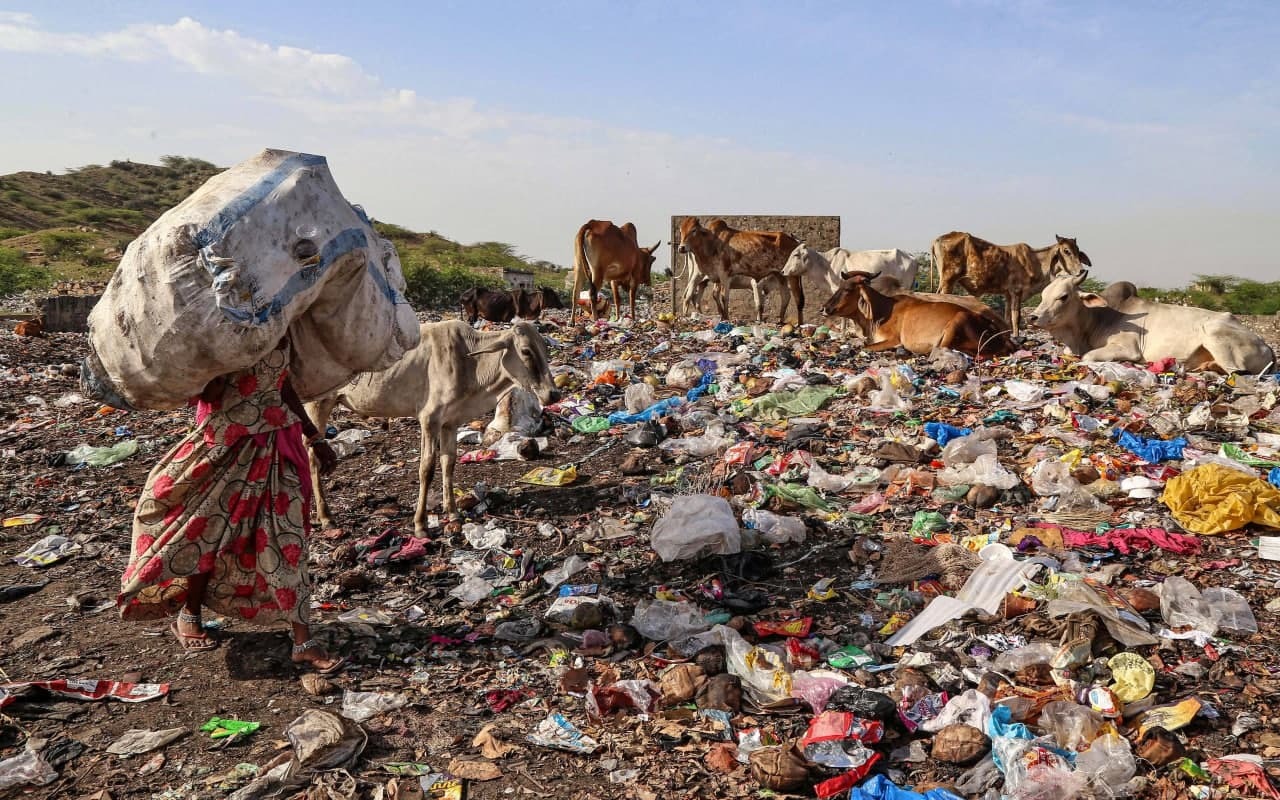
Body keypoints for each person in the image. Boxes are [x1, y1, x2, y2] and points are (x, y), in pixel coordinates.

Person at [117, 336, 346, 675]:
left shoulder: (281, 329)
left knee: (288, 540)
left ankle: (303, 642)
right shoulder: (220, 330)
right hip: (226, 445)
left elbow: (283, 385)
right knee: (206, 531)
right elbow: (207, 392)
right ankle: (190, 613)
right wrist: (223, 356)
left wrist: (314, 436)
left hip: (277, 446)